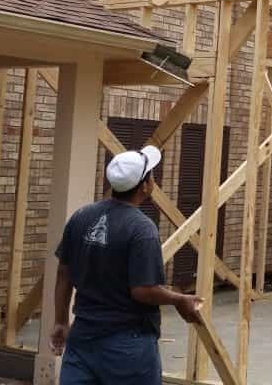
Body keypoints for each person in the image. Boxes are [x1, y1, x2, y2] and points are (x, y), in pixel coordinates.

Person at [49, 145, 204, 384]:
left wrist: (60, 321)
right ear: (144, 186)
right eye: (151, 175)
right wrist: (179, 300)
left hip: (83, 337)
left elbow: (64, 272)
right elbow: (143, 291)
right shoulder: (142, 229)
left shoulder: (81, 216)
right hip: (127, 345)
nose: (154, 179)